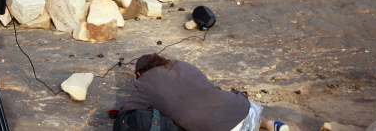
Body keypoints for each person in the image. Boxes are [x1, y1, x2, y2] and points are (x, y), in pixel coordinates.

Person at [121, 53, 289, 131]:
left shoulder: (144, 82)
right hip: (245, 111)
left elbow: (127, 112)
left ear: (138, 74)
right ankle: (267, 124)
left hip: (217, 128)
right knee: (224, 99)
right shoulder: (181, 64)